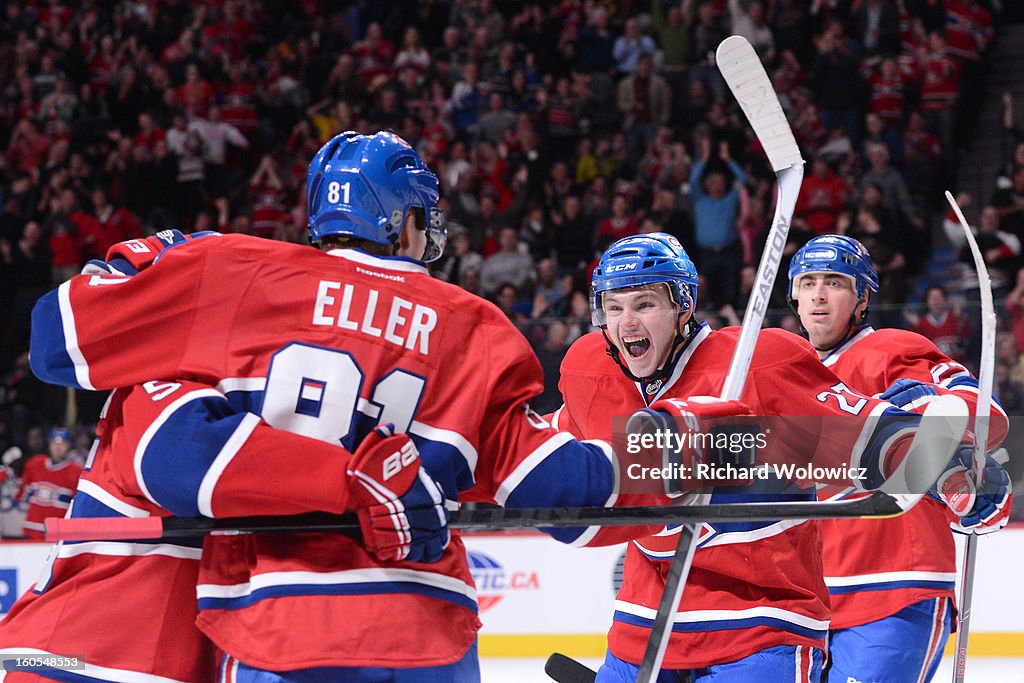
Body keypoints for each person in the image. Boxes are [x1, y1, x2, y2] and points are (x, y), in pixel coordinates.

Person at [23, 131, 676, 681]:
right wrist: (715, 448)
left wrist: (146, 269)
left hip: (282, 626)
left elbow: (55, 342)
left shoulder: (232, 272)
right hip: (430, 637)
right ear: (408, 222)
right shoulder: (476, 326)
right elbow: (570, 494)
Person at [0, 229, 449, 683]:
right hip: (83, 655)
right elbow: (182, 459)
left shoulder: (244, 383)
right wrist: (356, 481)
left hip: (136, 652)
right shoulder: (165, 381)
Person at [549, 232, 964, 682]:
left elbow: (868, 438)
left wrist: (937, 459)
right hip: (644, 626)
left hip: (759, 625)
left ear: (683, 305)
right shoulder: (588, 369)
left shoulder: (760, 362)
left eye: (645, 304)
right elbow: (549, 451)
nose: (626, 321)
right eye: (614, 307)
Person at [788, 234, 1011, 683]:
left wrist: (931, 408)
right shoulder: (787, 371)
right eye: (807, 281)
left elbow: (987, 416)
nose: (818, 293)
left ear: (862, 295)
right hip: (807, 599)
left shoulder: (893, 348)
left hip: (894, 586)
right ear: (793, 294)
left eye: (834, 282)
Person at [15, 427, 82, 539]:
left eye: (63, 444)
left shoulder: (76, 472)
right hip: (31, 529)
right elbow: (20, 494)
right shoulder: (35, 464)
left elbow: (77, 507)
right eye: (54, 443)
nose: (57, 448)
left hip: (57, 532)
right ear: (49, 444)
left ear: (69, 446)